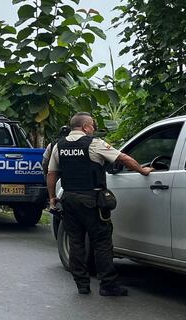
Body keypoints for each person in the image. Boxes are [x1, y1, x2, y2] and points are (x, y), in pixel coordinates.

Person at [46, 112, 153, 296]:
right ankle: (108, 285)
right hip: (91, 200)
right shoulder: (93, 143)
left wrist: (52, 197)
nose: (94, 129)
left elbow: (51, 174)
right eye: (93, 126)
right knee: (101, 242)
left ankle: (82, 285)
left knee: (76, 242)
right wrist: (142, 170)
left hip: (69, 199)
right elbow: (123, 158)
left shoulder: (59, 146)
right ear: (86, 127)